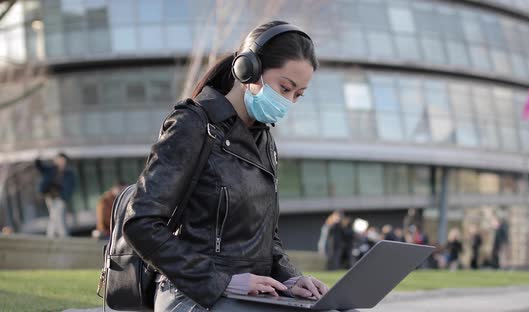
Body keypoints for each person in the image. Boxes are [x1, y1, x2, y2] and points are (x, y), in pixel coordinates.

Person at [122, 21, 328, 311]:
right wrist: (222, 281)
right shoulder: (192, 124)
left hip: (248, 296)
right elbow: (140, 223)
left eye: (298, 94)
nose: (289, 102)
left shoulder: (264, 140)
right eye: (285, 88)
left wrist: (292, 281)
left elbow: (267, 237)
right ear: (248, 69)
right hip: (192, 294)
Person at [35, 152, 75, 238]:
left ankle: (61, 236)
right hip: (50, 197)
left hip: (61, 198)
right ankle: (52, 236)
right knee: (54, 216)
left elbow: (71, 187)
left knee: (58, 216)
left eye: (63, 160)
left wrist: (65, 195)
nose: (61, 162)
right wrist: (38, 158)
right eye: (59, 160)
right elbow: (39, 167)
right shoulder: (51, 170)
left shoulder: (68, 173)